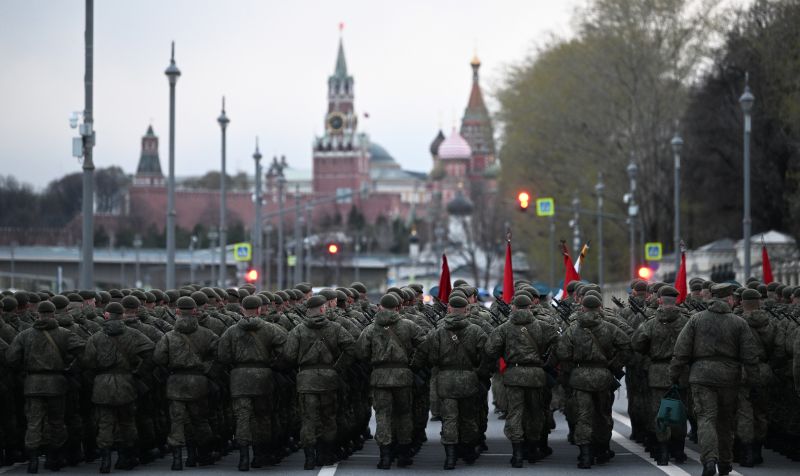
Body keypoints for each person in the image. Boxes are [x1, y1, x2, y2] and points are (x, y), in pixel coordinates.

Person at [669, 283, 760, 476]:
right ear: (729, 299)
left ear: (712, 298)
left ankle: (709, 461)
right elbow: (750, 356)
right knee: (726, 421)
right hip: (729, 377)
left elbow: (681, 351)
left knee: (706, 419)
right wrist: (753, 382)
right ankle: (725, 463)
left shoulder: (696, 320)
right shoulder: (739, 323)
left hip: (701, 376)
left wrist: (674, 375)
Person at [6, 300, 85, 473]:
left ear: (38, 314)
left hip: (32, 384)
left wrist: (24, 370)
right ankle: (53, 458)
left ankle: (33, 461)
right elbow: (83, 351)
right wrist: (69, 366)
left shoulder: (24, 335)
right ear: (54, 313)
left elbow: (11, 358)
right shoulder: (64, 333)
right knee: (56, 421)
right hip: (57, 383)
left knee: (34, 421)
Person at [411, 294, 489, 470]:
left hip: (445, 379)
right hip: (469, 378)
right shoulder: (476, 331)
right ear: (465, 310)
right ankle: (468, 451)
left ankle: (450, 457)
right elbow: (487, 354)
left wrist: (417, 368)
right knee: (468, 418)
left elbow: (424, 354)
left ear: (450, 309)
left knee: (449, 418)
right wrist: (481, 373)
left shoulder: (438, 331)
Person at [556, 294, 630, 469]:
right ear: (599, 308)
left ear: (582, 308)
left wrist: (571, 369)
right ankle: (602, 449)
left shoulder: (573, 329)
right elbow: (627, 346)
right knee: (603, 414)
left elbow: (562, 353)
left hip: (579, 377)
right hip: (603, 375)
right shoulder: (610, 328)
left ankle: (585, 455)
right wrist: (615, 364)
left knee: (583, 415)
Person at [485, 294, 559, 468]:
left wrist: (503, 356)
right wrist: (549, 363)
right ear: (530, 306)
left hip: (514, 374)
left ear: (514, 307)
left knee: (516, 412)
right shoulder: (543, 326)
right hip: (536, 374)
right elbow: (560, 345)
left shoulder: (504, 328)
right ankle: (533, 450)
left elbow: (489, 349)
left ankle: (517, 453)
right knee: (535, 411)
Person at [283, 294, 356, 470]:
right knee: (328, 418)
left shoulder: (298, 330)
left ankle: (309, 458)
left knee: (308, 419)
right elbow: (352, 348)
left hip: (306, 380)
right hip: (329, 379)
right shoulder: (336, 328)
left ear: (309, 310)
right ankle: (326, 455)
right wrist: (338, 367)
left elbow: (289, 355)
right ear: (323, 309)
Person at [81, 302, 154, 473]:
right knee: (127, 421)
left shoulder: (96, 337)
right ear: (122, 315)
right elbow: (150, 352)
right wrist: (138, 371)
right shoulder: (134, 334)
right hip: (126, 382)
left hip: (102, 384)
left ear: (106, 315)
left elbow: (87, 362)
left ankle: (105, 460)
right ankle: (125, 457)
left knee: (105, 423)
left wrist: (98, 375)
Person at [217, 295, 287, 471]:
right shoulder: (271, 329)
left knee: (242, 417)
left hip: (239, 378)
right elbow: (285, 351)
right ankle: (259, 455)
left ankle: (243, 458)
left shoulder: (231, 331)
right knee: (262, 417)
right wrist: (271, 364)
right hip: (263, 377)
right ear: (259, 309)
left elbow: (223, 356)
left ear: (242, 309)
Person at [356, 293, 425, 469]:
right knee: (404, 414)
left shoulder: (370, 329)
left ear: (380, 307)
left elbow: (361, 353)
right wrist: (414, 365)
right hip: (403, 376)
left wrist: (374, 364)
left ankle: (385, 457)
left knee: (383, 416)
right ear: (398, 307)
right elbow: (424, 346)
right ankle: (403, 455)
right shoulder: (409, 325)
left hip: (380, 377)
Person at [153, 296, 219, 471]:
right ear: (195, 312)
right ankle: (202, 455)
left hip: (176, 382)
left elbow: (159, 357)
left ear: (177, 311)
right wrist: (205, 367)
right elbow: (218, 355)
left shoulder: (169, 336)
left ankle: (177, 460)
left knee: (177, 421)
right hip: (198, 382)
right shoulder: (207, 334)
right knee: (200, 420)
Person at [631, 285, 689, 466]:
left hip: (657, 372)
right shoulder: (687, 322)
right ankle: (678, 450)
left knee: (660, 413)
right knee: (679, 412)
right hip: (681, 372)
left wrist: (652, 352)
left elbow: (637, 343)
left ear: (661, 301)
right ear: (676, 301)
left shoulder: (651, 323)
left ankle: (662, 451)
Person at [735, 288, 782, 467]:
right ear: (759, 302)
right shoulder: (770, 322)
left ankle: (746, 451)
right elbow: (779, 349)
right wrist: (770, 366)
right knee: (761, 412)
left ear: (742, 303)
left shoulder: (737, 322)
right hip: (763, 369)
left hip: (744, 371)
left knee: (744, 412)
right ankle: (758, 450)